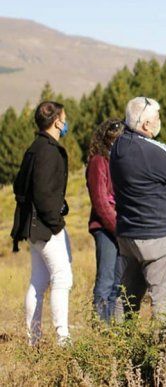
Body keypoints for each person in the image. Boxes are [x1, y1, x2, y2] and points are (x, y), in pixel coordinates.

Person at [110, 96, 166, 318]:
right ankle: (163, 350)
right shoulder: (151, 150)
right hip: (155, 235)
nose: (159, 120)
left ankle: (117, 345)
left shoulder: (118, 146)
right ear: (146, 124)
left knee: (127, 296)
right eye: (157, 117)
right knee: (164, 298)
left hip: (128, 234)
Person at [11, 101, 73, 346]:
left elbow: (19, 186)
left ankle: (33, 339)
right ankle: (62, 338)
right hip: (46, 227)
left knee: (38, 281)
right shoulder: (48, 150)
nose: (66, 123)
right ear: (57, 121)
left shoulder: (33, 148)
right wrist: (56, 223)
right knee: (62, 277)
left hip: (33, 226)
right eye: (64, 118)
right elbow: (44, 193)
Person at [86, 119, 125, 322]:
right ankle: (102, 330)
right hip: (106, 227)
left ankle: (116, 331)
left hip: (123, 227)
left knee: (119, 283)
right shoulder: (98, 162)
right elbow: (100, 201)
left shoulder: (121, 159)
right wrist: (118, 229)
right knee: (106, 281)